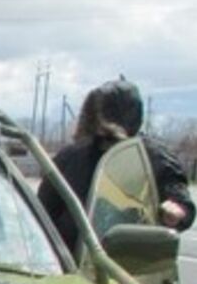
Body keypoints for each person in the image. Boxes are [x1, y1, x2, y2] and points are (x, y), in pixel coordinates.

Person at [37, 78, 195, 253]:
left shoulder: (152, 157)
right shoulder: (71, 156)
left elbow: (179, 200)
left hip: (130, 266)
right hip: (70, 264)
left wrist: (177, 212)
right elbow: (42, 213)